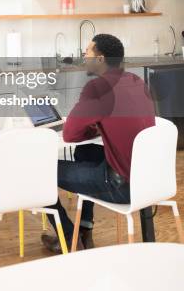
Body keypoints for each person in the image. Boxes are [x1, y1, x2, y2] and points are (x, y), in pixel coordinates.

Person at [41, 33, 155, 253]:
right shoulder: (136, 81)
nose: (84, 56)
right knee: (88, 152)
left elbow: (70, 135)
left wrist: (91, 124)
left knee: (38, 170)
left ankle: (68, 240)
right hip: (148, 181)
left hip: (121, 186)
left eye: (87, 52)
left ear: (100, 59)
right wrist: (100, 125)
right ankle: (83, 230)